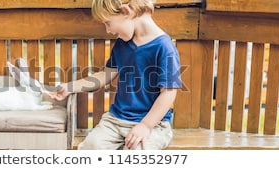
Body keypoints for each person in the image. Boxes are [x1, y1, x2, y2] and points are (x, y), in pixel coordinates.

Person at [50, 0, 182, 150]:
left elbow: (169, 93)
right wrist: (70, 87)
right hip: (116, 120)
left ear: (126, 11)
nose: (108, 30)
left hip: (153, 125)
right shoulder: (122, 44)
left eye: (108, 23)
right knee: (90, 148)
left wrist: (145, 125)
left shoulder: (164, 48)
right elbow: (105, 75)